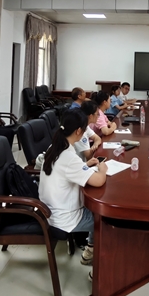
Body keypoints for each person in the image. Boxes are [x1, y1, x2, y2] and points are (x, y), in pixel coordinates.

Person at [39, 110, 108, 275]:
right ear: (78, 131)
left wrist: (85, 166)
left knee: (96, 210)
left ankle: (90, 250)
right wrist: (103, 169)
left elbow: (68, 170)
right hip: (64, 217)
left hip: (52, 209)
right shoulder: (69, 157)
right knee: (106, 221)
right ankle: (100, 273)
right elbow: (99, 181)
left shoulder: (55, 148)